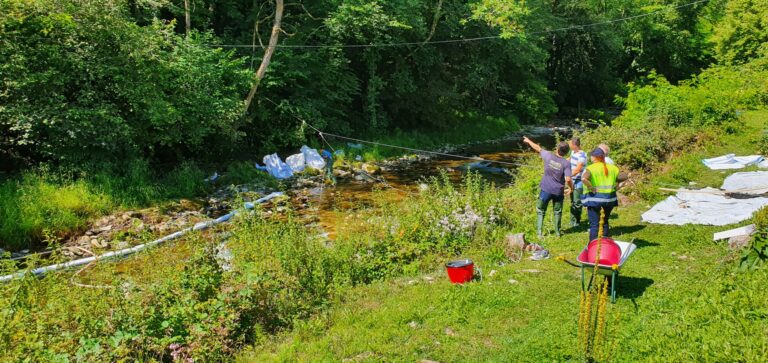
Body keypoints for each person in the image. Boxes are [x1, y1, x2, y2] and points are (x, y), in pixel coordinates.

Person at [522, 136, 573, 237]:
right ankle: (558, 233)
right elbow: (568, 179)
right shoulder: (566, 163)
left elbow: (538, 148)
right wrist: (571, 188)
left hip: (546, 189)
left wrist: (528, 141)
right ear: (567, 152)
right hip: (558, 191)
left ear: (557, 149)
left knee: (541, 210)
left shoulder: (548, 155)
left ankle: (539, 233)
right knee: (557, 211)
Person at [581, 147, 620, 242]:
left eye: (591, 156)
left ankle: (593, 247)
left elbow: (583, 179)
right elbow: (623, 178)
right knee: (605, 222)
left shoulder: (590, 168)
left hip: (595, 200)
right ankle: (605, 244)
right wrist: (618, 187)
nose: (590, 158)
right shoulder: (613, 168)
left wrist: (591, 188)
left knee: (595, 224)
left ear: (594, 157)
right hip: (610, 200)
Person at [568, 137, 587, 227]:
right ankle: (572, 221)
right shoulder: (573, 152)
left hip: (578, 181)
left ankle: (577, 222)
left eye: (570, 144)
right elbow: (569, 159)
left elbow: (578, 169)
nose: (569, 145)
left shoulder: (582, 156)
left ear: (574, 145)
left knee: (577, 202)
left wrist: (566, 175)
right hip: (572, 180)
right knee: (572, 200)